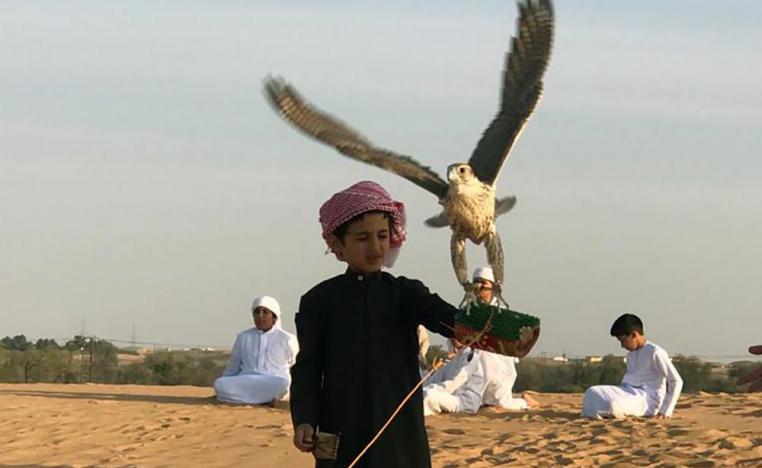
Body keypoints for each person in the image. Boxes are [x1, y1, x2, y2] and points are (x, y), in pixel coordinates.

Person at [290, 181, 459, 468]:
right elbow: (308, 366)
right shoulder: (318, 301)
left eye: (382, 235)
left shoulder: (407, 293)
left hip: (399, 432)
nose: (376, 247)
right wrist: (305, 420)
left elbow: (448, 319)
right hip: (341, 426)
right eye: (362, 238)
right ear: (337, 244)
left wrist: (481, 327)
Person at [582, 313, 683, 419]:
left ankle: (603, 413)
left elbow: (676, 381)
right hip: (627, 391)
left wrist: (665, 411)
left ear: (634, 335)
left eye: (623, 340)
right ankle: (601, 414)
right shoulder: (631, 354)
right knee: (592, 392)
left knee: (613, 404)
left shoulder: (655, 352)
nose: (622, 345)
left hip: (647, 399)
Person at [472, 267, 539, 410]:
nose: (479, 289)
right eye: (476, 284)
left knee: (501, 403)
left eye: (484, 285)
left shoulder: (502, 316)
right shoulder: (467, 312)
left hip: (496, 368)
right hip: (469, 366)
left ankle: (526, 402)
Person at [213, 296, 298, 405]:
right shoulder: (243, 337)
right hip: (247, 379)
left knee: (282, 385)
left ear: (274, 317)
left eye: (265, 312)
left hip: (274, 381)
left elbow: (297, 366)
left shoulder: (287, 339)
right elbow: (233, 368)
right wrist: (224, 384)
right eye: (257, 312)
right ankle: (265, 400)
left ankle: (241, 399)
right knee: (220, 384)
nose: (260, 315)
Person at [422, 338, 486, 416]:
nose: (455, 340)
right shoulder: (453, 359)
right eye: (453, 337)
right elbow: (435, 379)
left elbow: (454, 382)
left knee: (429, 396)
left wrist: (429, 389)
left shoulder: (471, 357)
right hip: (452, 396)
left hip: (465, 402)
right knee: (422, 394)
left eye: (458, 337)